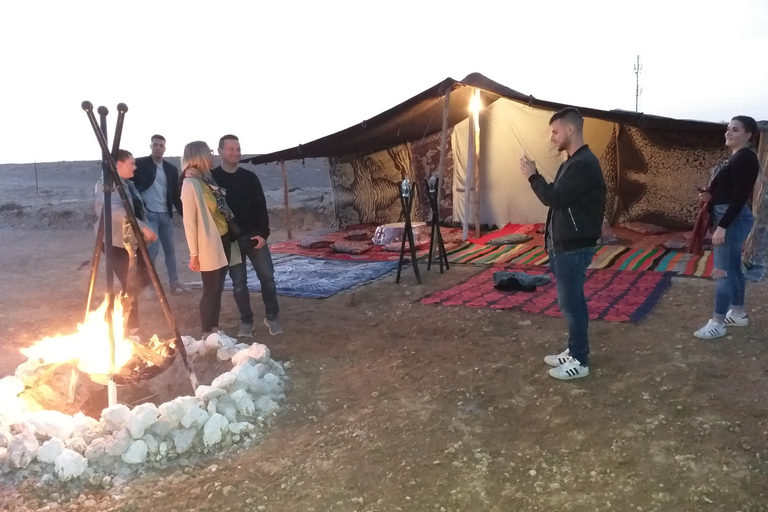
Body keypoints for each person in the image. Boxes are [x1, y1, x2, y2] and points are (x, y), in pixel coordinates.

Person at [520, 107, 606, 380]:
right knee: (571, 301)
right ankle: (574, 350)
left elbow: (554, 198)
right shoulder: (572, 162)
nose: (551, 137)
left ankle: (579, 361)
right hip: (565, 243)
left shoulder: (583, 164)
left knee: (572, 303)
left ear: (570, 129)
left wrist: (533, 176)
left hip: (574, 244)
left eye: (555, 131)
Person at [693, 116, 760, 339]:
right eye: (728, 129)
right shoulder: (736, 157)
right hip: (729, 216)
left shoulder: (746, 159)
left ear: (748, 134)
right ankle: (738, 312)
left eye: (735, 130)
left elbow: (741, 196)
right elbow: (729, 190)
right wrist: (709, 194)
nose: (728, 133)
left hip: (732, 218)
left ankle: (718, 321)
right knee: (731, 267)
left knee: (721, 270)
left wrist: (722, 227)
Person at [212, 134, 283, 337]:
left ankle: (272, 316)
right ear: (220, 151)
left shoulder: (249, 177)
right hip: (231, 240)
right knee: (239, 284)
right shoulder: (212, 178)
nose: (235, 152)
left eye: (238, 149)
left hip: (254, 237)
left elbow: (261, 206)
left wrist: (264, 234)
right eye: (230, 149)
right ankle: (246, 321)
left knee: (268, 277)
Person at [95, 149, 157, 335]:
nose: (135, 167)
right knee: (131, 282)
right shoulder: (106, 186)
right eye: (132, 163)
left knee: (142, 278)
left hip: (130, 242)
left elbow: (136, 207)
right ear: (118, 165)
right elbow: (112, 210)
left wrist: (144, 227)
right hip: (116, 243)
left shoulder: (126, 184)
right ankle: (129, 326)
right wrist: (141, 226)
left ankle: (123, 318)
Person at [179, 141, 236, 339]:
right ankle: (206, 331)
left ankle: (214, 328)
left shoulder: (205, 178)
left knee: (219, 286)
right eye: (209, 152)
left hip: (222, 237)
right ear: (199, 155)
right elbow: (189, 222)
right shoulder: (190, 183)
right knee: (210, 289)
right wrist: (194, 254)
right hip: (208, 243)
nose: (212, 155)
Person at [132, 135, 184, 294]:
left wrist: (184, 214)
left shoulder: (171, 169)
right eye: (155, 145)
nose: (158, 148)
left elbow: (175, 194)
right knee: (152, 251)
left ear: (165, 148)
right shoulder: (140, 164)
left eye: (161, 145)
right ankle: (149, 285)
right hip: (150, 215)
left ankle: (174, 284)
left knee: (170, 250)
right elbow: (129, 184)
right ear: (150, 146)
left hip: (165, 214)